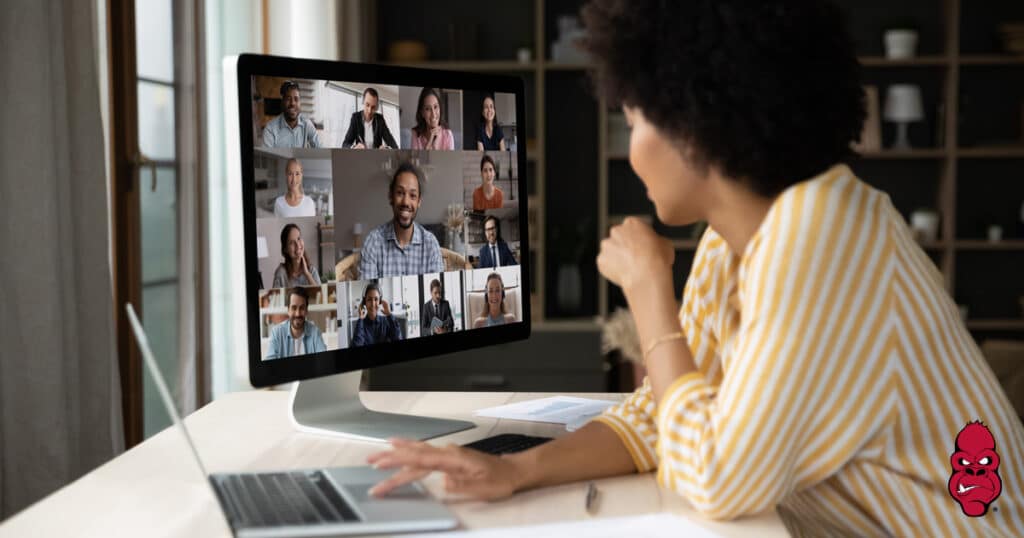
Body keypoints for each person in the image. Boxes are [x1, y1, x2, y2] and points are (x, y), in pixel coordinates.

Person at [365, 1, 1024, 536]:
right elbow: (663, 418)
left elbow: (718, 478)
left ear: (693, 124)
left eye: (634, 120)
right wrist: (516, 473)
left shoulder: (820, 231)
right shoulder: (734, 240)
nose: (631, 153)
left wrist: (651, 293)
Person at [359, 162, 444, 279]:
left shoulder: (431, 245)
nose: (406, 202)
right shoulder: (373, 243)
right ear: (391, 197)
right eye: (400, 193)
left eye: (412, 195)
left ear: (419, 201)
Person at [264, 287, 327, 359]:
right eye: (294, 308)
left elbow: (323, 360)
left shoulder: (315, 333)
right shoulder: (277, 333)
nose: (298, 314)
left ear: (306, 311)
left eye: (302, 308)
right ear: (288, 310)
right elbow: (269, 365)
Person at [262, 80, 321, 148]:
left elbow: (320, 148)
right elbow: (267, 157)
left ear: (300, 102)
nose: (292, 103)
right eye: (288, 99)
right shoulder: (270, 129)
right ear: (282, 102)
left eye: (296, 99)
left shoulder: (307, 124)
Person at [272, 223, 321, 288]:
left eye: (299, 238)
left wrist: (307, 274)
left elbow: (322, 296)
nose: (297, 245)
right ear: (285, 249)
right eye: (292, 242)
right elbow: (274, 297)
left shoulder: (312, 271)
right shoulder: (281, 273)